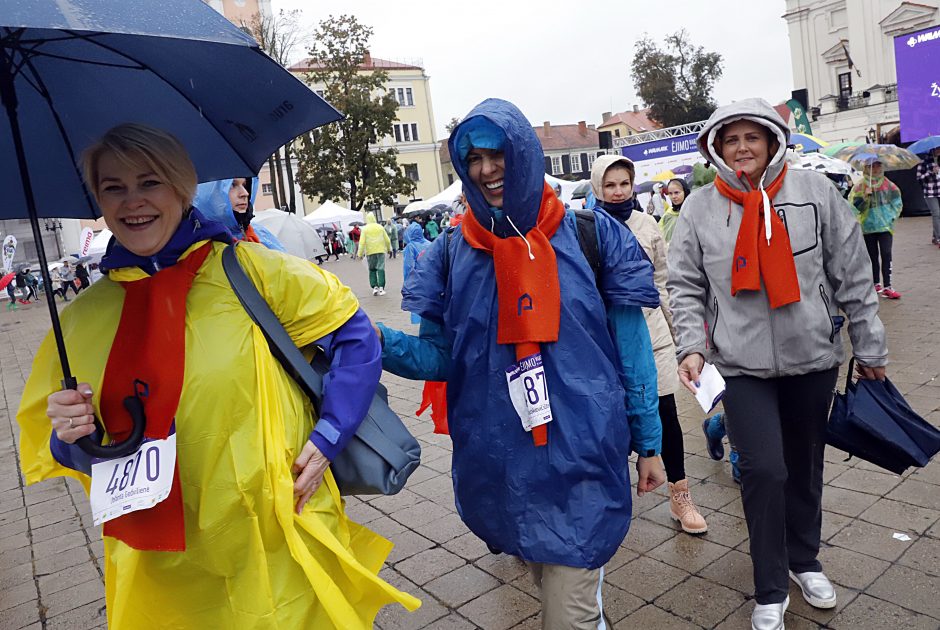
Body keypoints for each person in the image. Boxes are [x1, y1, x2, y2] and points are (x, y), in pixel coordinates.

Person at [15, 123, 419, 628]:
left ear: (183, 188)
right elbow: (81, 454)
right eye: (113, 187)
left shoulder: (253, 271)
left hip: (268, 539)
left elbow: (355, 336)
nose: (132, 201)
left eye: (150, 182)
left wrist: (330, 434)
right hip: (159, 563)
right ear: (97, 198)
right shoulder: (79, 321)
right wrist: (73, 436)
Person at [377, 99, 664, 628]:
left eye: (498, 153)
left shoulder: (591, 236)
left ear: (524, 155)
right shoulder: (450, 253)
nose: (487, 169)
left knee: (567, 608)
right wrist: (370, 339)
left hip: (582, 453)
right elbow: (440, 356)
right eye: (474, 159)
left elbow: (632, 352)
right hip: (501, 457)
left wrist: (649, 443)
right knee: (550, 578)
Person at [667, 98, 888, 630]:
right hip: (738, 364)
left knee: (806, 465)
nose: (742, 148)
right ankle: (770, 585)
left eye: (752, 137)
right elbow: (685, 286)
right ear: (716, 149)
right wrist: (692, 346)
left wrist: (870, 346)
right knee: (764, 470)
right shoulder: (699, 208)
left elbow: (852, 274)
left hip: (813, 356)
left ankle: (805, 560)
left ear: (771, 141)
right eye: (731, 140)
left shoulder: (814, 193)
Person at [589, 156, 706, 535]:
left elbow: (663, 283)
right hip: (608, 341)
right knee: (609, 420)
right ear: (597, 189)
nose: (618, 191)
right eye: (610, 185)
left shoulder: (648, 224)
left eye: (624, 183)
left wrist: (682, 340)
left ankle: (680, 495)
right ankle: (611, 498)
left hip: (652, 334)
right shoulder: (587, 228)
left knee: (665, 413)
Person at [848, 160, 903, 299]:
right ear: (866, 168)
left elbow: (897, 202)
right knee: (872, 257)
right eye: (872, 166)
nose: (876, 168)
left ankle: (888, 286)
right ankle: (875, 283)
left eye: (878, 165)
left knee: (886, 254)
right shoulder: (859, 186)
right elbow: (853, 207)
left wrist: (891, 218)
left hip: (885, 227)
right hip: (868, 227)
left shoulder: (888, 185)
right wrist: (864, 197)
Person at [192, 178, 285, 251]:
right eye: (232, 185)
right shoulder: (195, 248)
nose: (245, 193)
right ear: (209, 194)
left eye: (244, 185)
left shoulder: (261, 235)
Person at [914, 146, 940, 247]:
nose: (939, 151)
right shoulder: (923, 163)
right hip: (930, 192)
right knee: (936, 214)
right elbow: (919, 179)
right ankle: (938, 238)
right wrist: (930, 172)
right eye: (937, 149)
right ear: (932, 150)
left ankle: (934, 236)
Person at [660, 178, 689, 244]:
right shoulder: (668, 214)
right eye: (670, 193)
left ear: (685, 191)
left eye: (676, 193)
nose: (673, 196)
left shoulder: (692, 212)